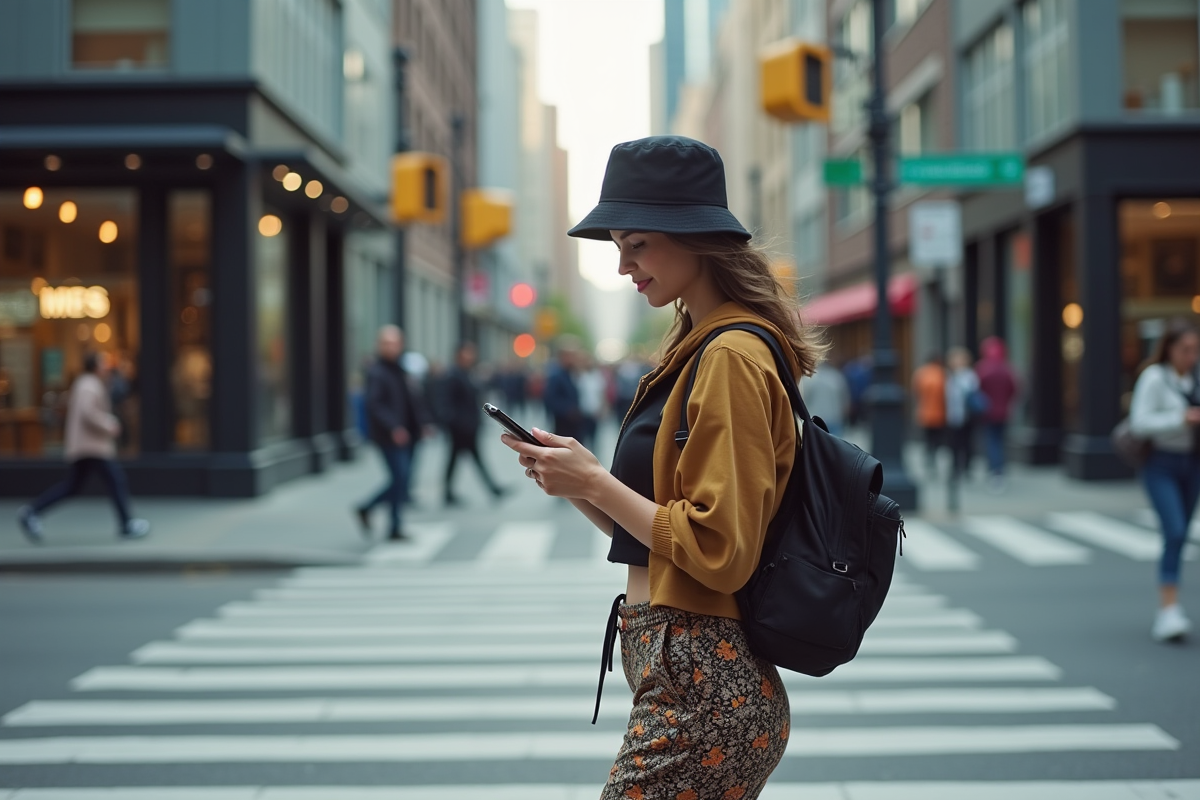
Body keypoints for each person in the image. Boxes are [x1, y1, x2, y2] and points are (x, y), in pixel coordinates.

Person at [500, 136, 821, 799]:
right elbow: (663, 539)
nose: (623, 265)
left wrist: (595, 482)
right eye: (619, 246)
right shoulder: (697, 347)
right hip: (685, 680)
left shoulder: (729, 356)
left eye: (637, 244)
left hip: (704, 692)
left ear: (693, 237)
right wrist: (580, 484)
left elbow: (718, 549)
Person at [17, 353, 150, 542]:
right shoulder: (88, 385)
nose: (106, 366)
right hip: (92, 447)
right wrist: (109, 424)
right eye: (103, 363)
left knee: (74, 487)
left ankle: (32, 511)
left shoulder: (87, 383)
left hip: (87, 447)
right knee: (115, 480)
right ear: (94, 366)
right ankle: (126, 524)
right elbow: (89, 413)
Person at [1129, 319, 1200, 642]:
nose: (1191, 356)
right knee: (1174, 530)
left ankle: (1172, 607)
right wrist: (1180, 419)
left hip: (1192, 462)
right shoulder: (1154, 378)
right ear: (1170, 348)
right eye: (1185, 349)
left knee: (1181, 534)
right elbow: (1139, 423)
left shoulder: (1196, 378)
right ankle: (1168, 610)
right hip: (1161, 463)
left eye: (1195, 349)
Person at [354, 325, 426, 540]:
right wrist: (393, 426)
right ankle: (391, 523)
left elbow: (413, 401)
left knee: (402, 480)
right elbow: (374, 405)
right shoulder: (377, 372)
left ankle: (370, 510)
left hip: (409, 434)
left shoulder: (401, 369)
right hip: (389, 436)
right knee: (400, 479)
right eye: (386, 343)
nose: (391, 347)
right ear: (379, 345)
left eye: (394, 343)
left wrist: (423, 423)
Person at [442, 341, 507, 506]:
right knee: (462, 458)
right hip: (461, 427)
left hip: (470, 425)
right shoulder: (453, 375)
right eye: (468, 352)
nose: (471, 356)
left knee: (459, 458)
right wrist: (455, 422)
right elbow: (447, 402)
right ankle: (492, 489)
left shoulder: (469, 373)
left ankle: (449, 492)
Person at [975, 336, 1019, 491]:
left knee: (991, 442)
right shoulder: (1007, 369)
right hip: (1003, 412)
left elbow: (976, 390)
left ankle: (995, 471)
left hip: (987, 412)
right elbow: (1014, 389)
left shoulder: (982, 369)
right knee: (999, 441)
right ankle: (999, 470)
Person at [944, 346, 980, 479]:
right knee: (954, 443)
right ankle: (955, 468)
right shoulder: (950, 376)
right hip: (953, 415)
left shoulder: (969, 375)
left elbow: (970, 392)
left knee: (967, 442)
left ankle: (966, 467)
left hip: (967, 415)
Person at [911, 354, 948, 477]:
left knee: (927, 438)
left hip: (924, 412)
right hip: (939, 413)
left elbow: (916, 392)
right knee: (936, 439)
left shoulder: (920, 373)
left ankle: (929, 459)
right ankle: (933, 459)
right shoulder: (941, 374)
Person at [543, 337, 585, 441]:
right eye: (572, 355)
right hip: (563, 425)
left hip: (575, 425)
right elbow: (550, 399)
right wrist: (568, 410)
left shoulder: (573, 373)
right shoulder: (556, 375)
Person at [800, 362, 850, 437]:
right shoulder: (836, 377)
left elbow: (803, 399)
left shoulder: (809, 379)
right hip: (834, 418)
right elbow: (845, 401)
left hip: (816, 420)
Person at [576, 352, 608, 452]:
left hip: (594, 412)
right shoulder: (578, 376)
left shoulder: (597, 376)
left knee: (593, 437)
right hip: (581, 412)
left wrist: (603, 408)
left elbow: (602, 394)